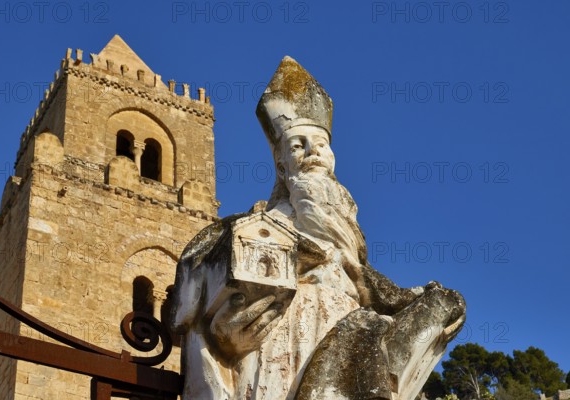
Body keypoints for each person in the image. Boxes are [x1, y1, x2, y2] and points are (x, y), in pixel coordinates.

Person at [168, 56, 465, 400]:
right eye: (298, 145)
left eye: (321, 145)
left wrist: (420, 301)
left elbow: (370, 285)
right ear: (281, 167)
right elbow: (194, 294)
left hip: (344, 328)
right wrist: (224, 325)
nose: (313, 152)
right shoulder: (250, 227)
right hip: (283, 333)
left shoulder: (349, 239)